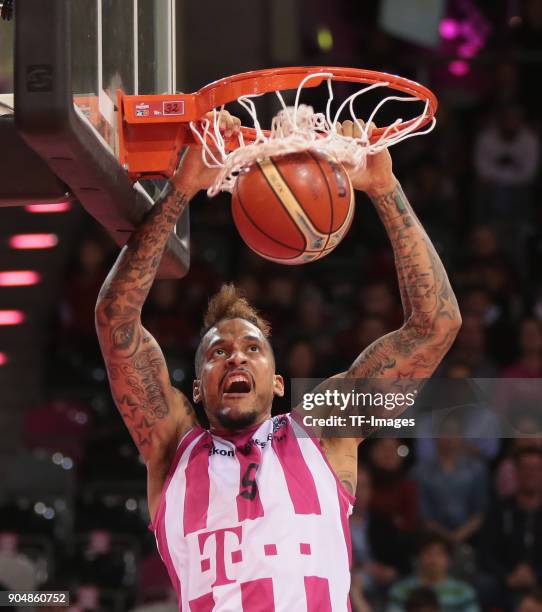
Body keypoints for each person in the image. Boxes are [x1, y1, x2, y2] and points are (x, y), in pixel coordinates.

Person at [95, 112, 461, 610]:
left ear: (281, 382)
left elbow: (434, 326)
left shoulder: (324, 430)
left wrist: (384, 187)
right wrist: (180, 189)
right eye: (217, 352)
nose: (236, 358)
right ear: (197, 388)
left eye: (252, 349)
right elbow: (116, 321)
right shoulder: (171, 446)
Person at [386, 534, 479, 612]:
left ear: (449, 560)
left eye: (439, 554)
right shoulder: (400, 591)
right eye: (428, 553)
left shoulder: (464, 592)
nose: (433, 559)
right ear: (418, 558)